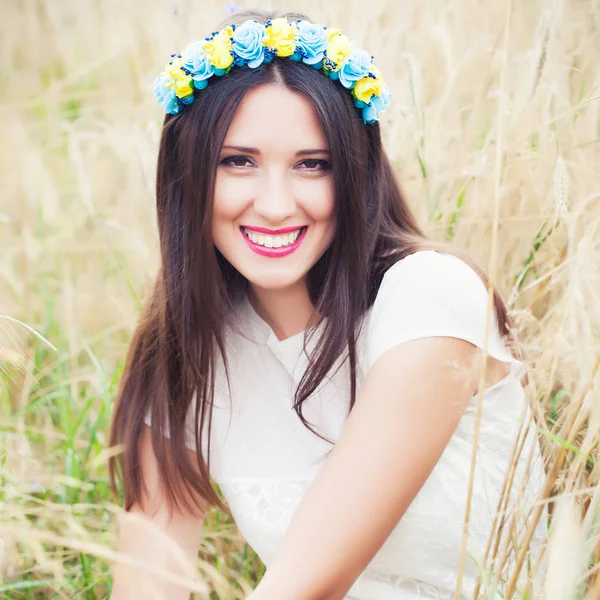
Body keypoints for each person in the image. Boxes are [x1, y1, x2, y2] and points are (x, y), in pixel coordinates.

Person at [108, 7, 548, 600]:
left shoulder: (430, 298)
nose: (274, 204)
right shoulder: (190, 354)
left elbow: (304, 587)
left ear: (357, 175)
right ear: (186, 174)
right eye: (238, 161)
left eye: (313, 165)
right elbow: (146, 588)